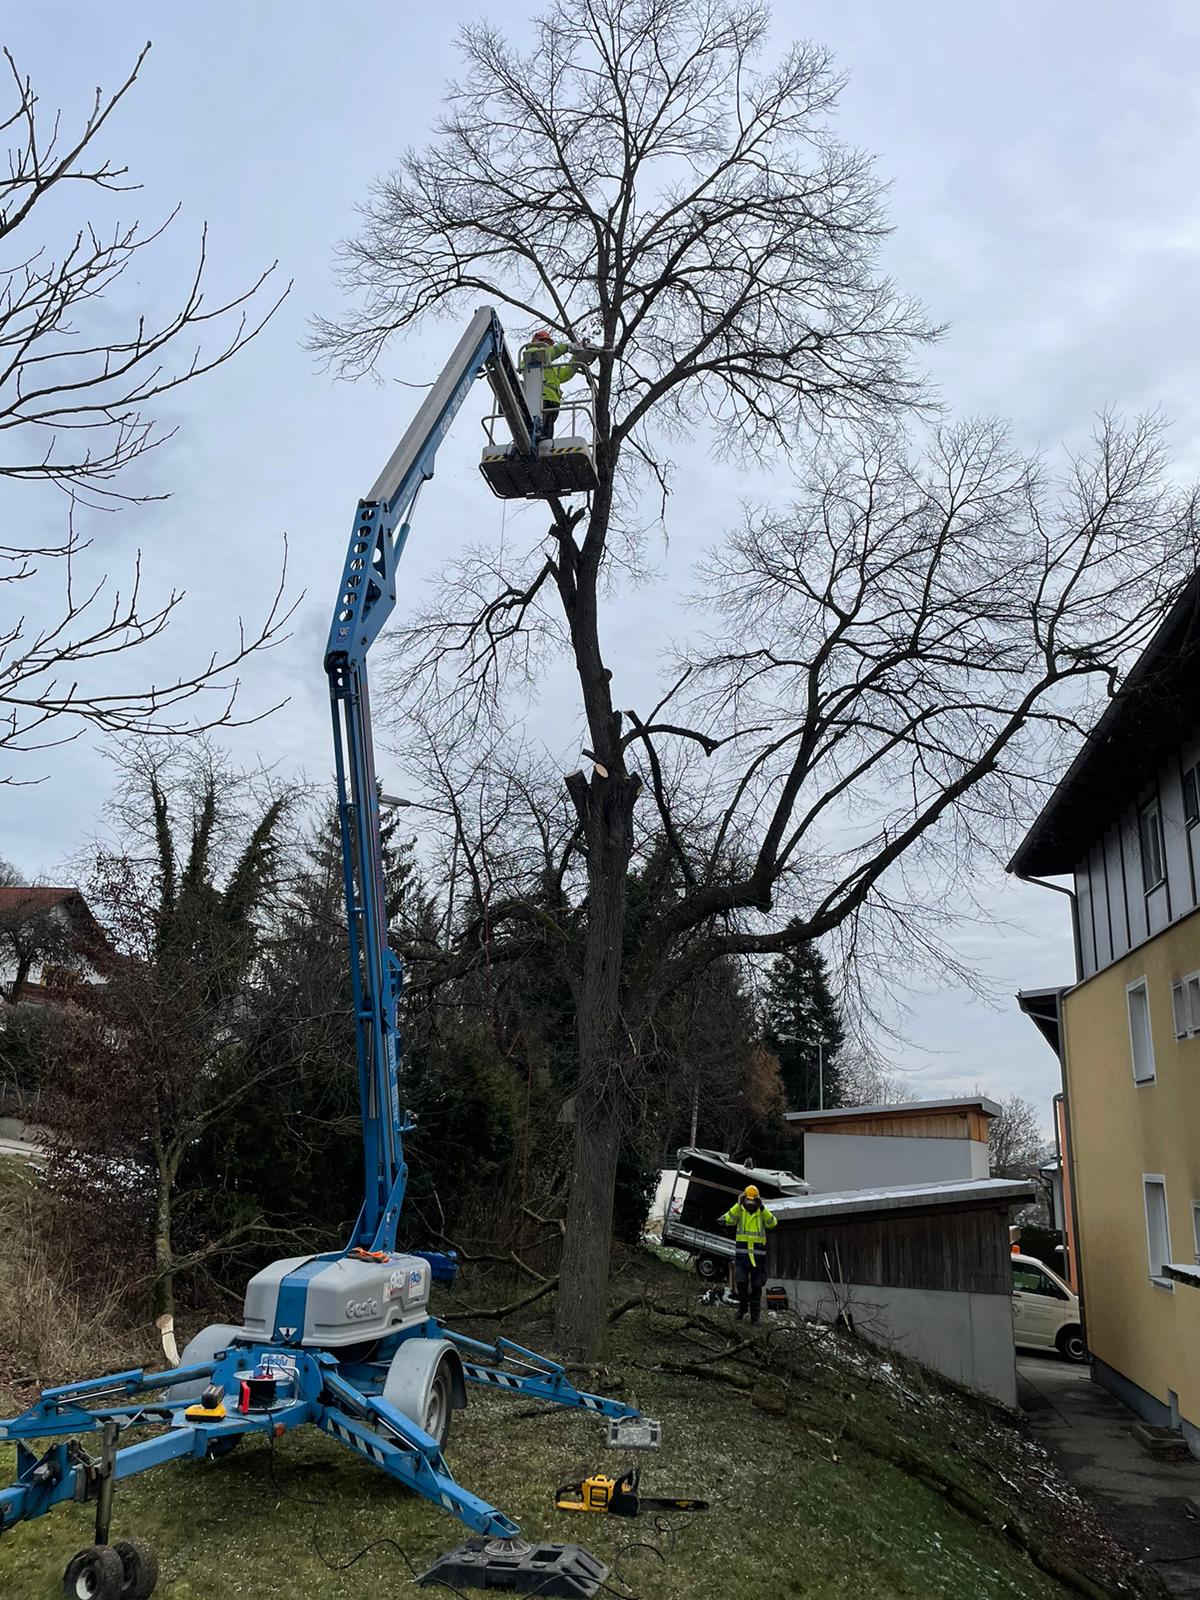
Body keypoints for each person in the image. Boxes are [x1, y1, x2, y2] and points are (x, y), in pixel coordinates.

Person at [520, 330, 605, 442]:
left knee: (546, 436)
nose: (547, 345)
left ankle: (542, 444)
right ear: (535, 341)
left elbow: (565, 374)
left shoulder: (551, 368)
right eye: (544, 342)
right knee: (538, 434)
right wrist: (567, 347)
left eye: (548, 343)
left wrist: (577, 357)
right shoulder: (531, 354)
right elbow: (546, 353)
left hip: (552, 403)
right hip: (539, 400)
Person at [719, 1184, 777, 1324]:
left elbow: (773, 1223)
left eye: (752, 1201)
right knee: (741, 1284)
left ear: (757, 1201)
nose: (750, 1204)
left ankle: (755, 1319)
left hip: (758, 1259)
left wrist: (763, 1208)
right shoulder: (740, 1211)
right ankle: (743, 1308)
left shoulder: (761, 1213)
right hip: (742, 1257)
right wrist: (738, 1205)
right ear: (744, 1199)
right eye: (747, 1201)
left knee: (756, 1288)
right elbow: (727, 1219)